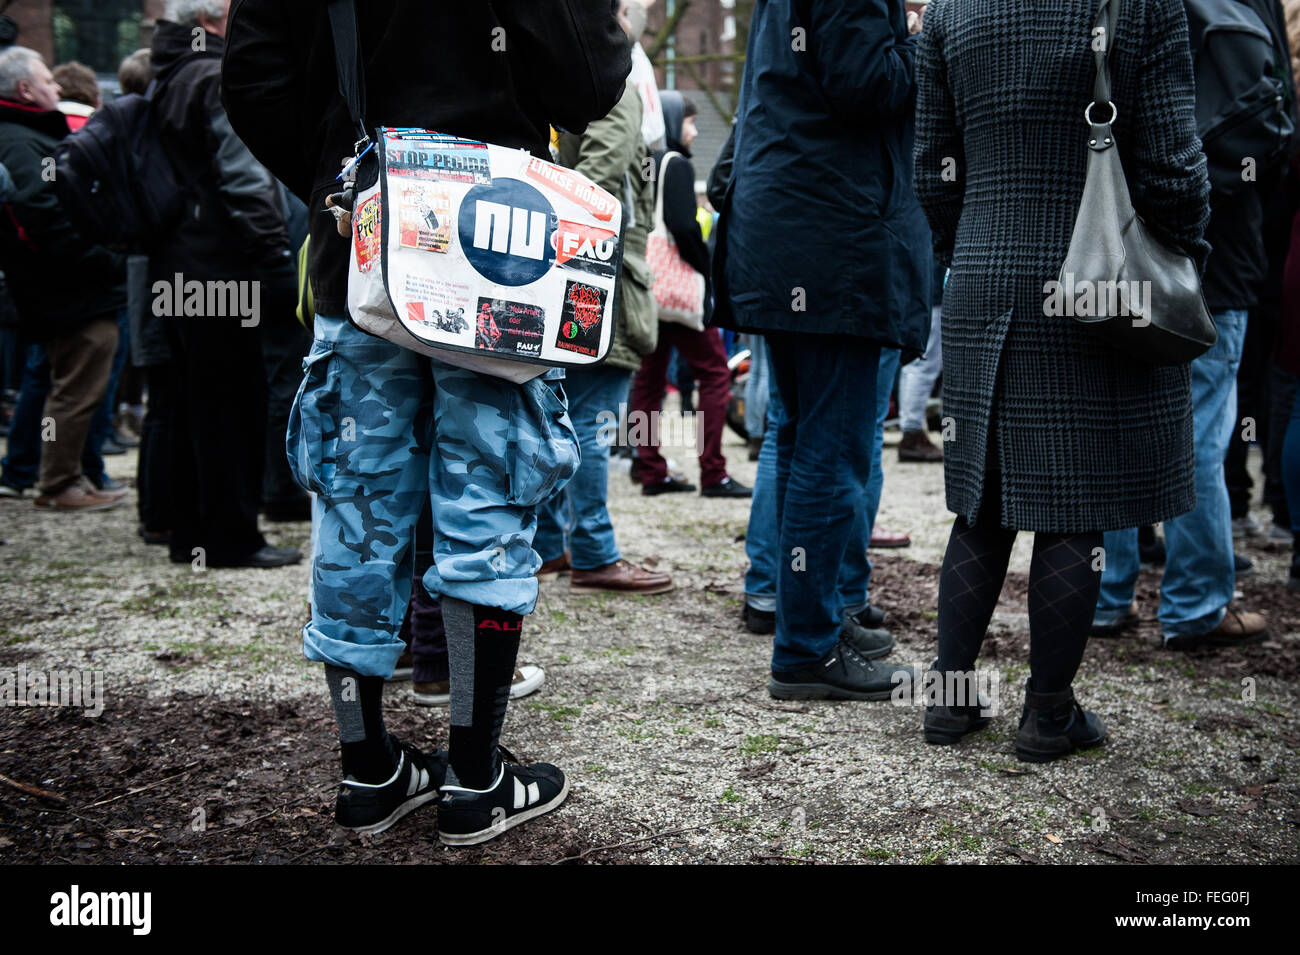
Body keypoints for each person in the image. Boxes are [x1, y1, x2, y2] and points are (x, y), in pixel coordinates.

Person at [223, 0, 630, 843]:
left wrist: (354, 170)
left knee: (356, 506)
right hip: (501, 244)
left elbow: (256, 84)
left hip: (359, 238)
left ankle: (368, 766)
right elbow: (591, 81)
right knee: (488, 500)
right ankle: (475, 778)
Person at [916, 0, 1210, 760]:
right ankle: (1048, 713)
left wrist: (973, 246)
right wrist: (1178, 257)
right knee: (1075, 502)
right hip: (1098, 273)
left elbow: (931, 167)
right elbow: (1175, 165)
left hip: (982, 268)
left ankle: (948, 702)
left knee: (982, 495)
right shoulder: (1141, 4)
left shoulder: (951, 10)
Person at [717, 0, 928, 699]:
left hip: (790, 232)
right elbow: (867, 82)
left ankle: (815, 621)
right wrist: (923, 40)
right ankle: (806, 648)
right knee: (831, 452)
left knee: (806, 436)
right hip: (826, 238)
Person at [1092, 0, 1294, 652]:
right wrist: (1181, 194)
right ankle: (1195, 602)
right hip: (1204, 257)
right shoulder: (1230, 11)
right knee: (1199, 433)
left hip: (1126, 244)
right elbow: (1262, 125)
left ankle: (1106, 593)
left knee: (1121, 425)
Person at [149, 0, 300, 568]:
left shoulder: (170, 75)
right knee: (231, 406)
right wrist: (276, 256)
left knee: (192, 404)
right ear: (214, 19)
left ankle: (188, 532)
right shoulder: (214, 76)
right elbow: (242, 182)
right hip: (222, 269)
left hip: (178, 266)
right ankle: (232, 538)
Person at [540, 0, 672, 595]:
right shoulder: (615, 85)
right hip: (605, 283)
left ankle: (551, 546)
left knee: (559, 420)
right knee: (592, 424)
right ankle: (593, 551)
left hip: (573, 279)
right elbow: (601, 180)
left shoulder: (560, 81)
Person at [0, 46, 125, 512]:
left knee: (73, 386)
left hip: (66, 288)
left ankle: (68, 477)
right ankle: (58, 484)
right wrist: (101, 257)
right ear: (25, 90)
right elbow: (42, 213)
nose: (58, 88)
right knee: (75, 389)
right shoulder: (18, 140)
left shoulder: (24, 135)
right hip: (68, 291)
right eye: (48, 82)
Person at [630, 91, 750, 499]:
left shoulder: (646, 162)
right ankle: (713, 472)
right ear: (671, 121)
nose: (695, 131)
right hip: (678, 292)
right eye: (689, 122)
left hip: (648, 288)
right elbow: (683, 226)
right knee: (715, 375)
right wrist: (705, 267)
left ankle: (650, 470)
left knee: (647, 382)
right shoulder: (677, 164)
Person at [896, 257, 947, 462]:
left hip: (926, 288)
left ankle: (913, 430)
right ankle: (912, 432)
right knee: (924, 365)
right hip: (933, 290)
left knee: (924, 365)